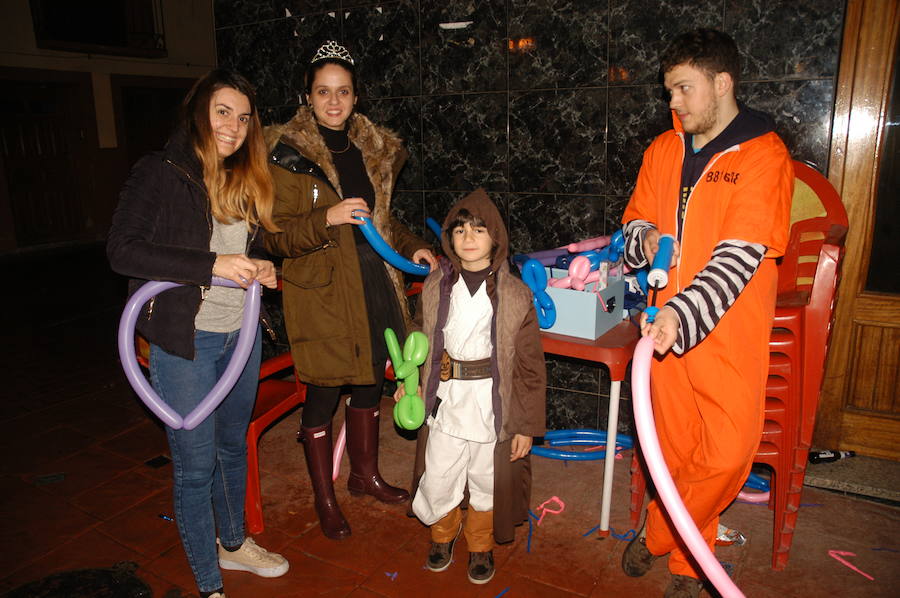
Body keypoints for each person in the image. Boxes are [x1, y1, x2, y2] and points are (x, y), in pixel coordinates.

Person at [620, 29, 793, 598]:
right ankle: (690, 566)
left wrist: (680, 317)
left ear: (723, 83)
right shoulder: (662, 150)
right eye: (670, 90)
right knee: (670, 452)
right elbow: (634, 221)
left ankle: (658, 532)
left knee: (725, 455)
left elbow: (736, 260)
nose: (673, 103)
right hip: (661, 328)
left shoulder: (765, 155)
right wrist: (642, 239)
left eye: (684, 89)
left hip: (725, 337)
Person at [107, 70, 290, 598]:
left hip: (242, 335)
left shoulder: (246, 178)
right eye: (222, 112)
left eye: (242, 116)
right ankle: (209, 584)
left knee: (233, 447)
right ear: (198, 114)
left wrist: (261, 267)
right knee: (195, 464)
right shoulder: (161, 172)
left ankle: (234, 545)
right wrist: (213, 265)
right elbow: (123, 250)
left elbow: (241, 254)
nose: (232, 125)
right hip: (186, 341)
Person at [262, 40, 437, 540]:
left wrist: (416, 247)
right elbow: (273, 237)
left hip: (374, 277)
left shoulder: (372, 150)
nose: (333, 101)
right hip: (321, 287)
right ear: (307, 95)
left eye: (343, 91)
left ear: (356, 96)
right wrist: (327, 217)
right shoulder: (285, 155)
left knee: (368, 382)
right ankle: (325, 496)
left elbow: (380, 222)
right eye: (323, 91)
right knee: (321, 390)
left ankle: (364, 477)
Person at [402, 188, 546, 585]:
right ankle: (442, 535)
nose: (468, 238)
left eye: (478, 230)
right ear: (449, 237)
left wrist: (525, 426)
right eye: (460, 229)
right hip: (446, 400)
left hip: (490, 404)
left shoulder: (516, 294)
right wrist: (409, 382)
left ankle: (480, 544)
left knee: (486, 478)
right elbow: (417, 338)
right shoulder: (434, 286)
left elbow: (531, 366)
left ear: (495, 238)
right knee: (440, 471)